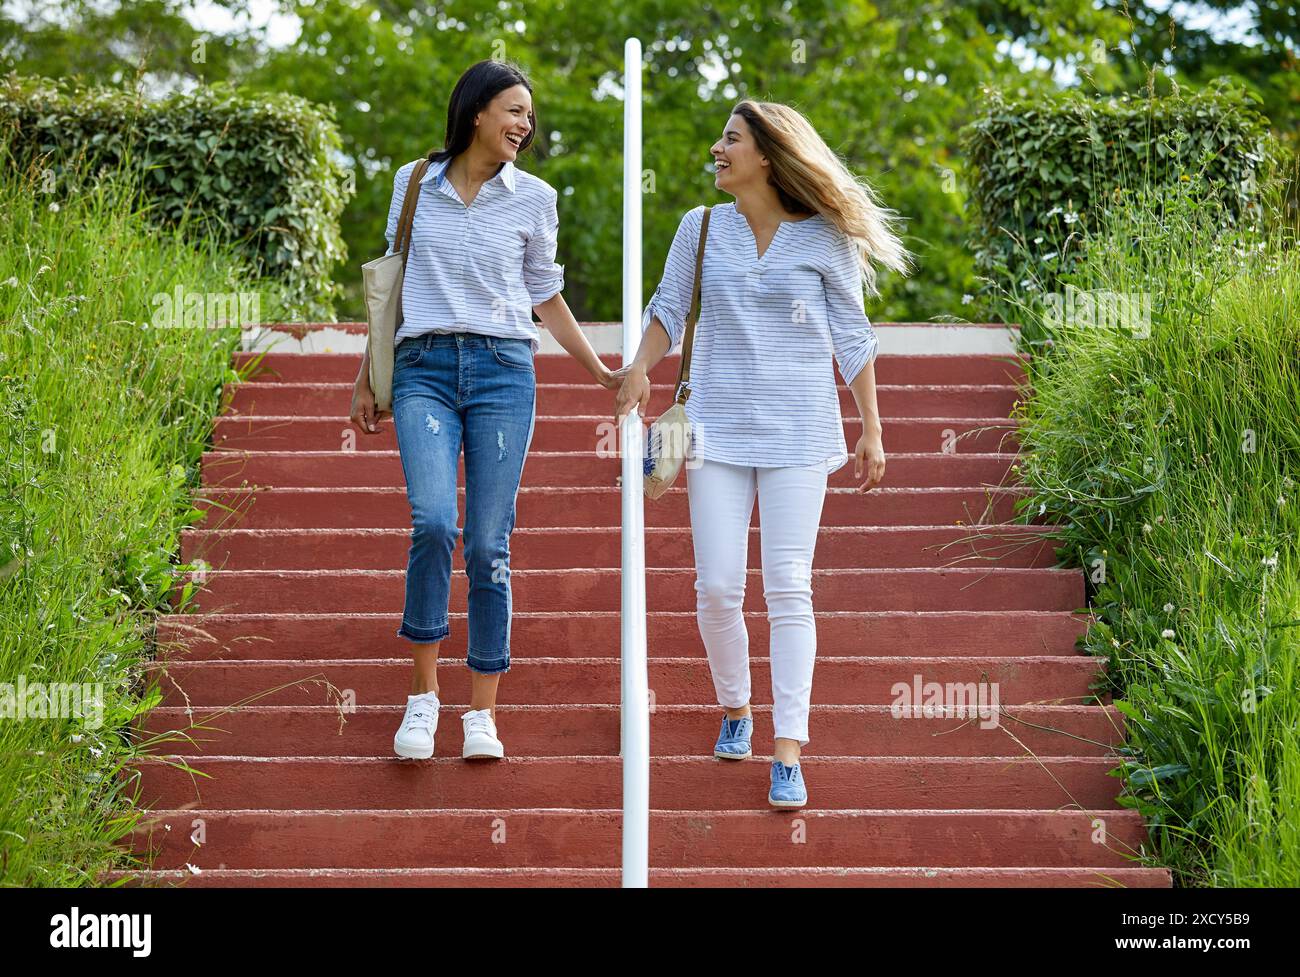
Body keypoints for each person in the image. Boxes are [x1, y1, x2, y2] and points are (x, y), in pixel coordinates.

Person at [616, 99, 913, 807]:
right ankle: (736, 707)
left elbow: (853, 335)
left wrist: (871, 425)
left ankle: (787, 748)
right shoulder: (700, 226)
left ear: (769, 156)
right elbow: (665, 308)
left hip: (799, 431)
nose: (716, 148)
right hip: (716, 426)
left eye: (731, 139)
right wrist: (638, 367)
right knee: (717, 585)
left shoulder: (824, 238)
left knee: (788, 584)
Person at [350, 59, 621, 761]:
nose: (524, 125)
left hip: (504, 371)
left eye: (530, 116)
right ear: (476, 112)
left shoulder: (534, 199)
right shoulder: (414, 184)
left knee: (488, 544)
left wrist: (598, 370)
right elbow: (393, 286)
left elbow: (546, 296)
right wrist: (365, 379)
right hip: (423, 370)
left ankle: (481, 713)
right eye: (514, 110)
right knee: (435, 521)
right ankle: (422, 698)